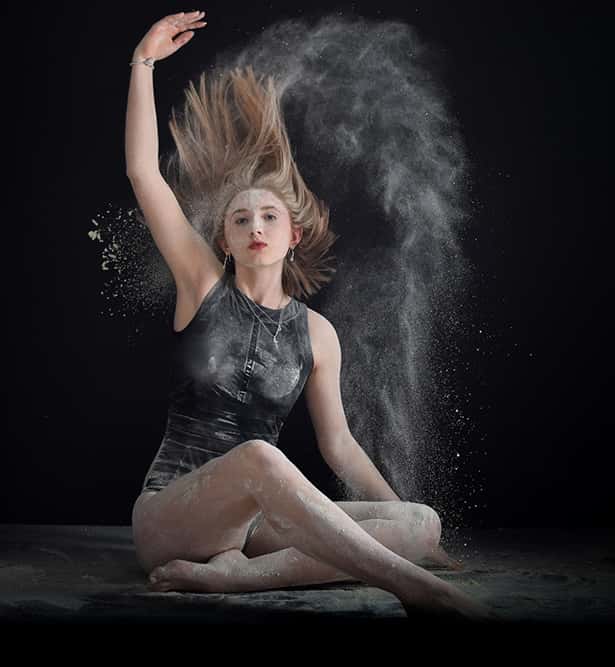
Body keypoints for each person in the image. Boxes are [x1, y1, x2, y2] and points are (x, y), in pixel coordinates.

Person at [125, 10, 496, 621]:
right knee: (260, 457)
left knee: (421, 523)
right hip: (175, 513)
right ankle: (416, 588)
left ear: (293, 234)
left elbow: (341, 448)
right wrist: (142, 63)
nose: (255, 226)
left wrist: (399, 516)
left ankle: (237, 581)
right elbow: (143, 173)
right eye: (240, 219)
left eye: (268, 216)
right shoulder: (202, 285)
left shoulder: (315, 333)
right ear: (224, 241)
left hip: (258, 528)